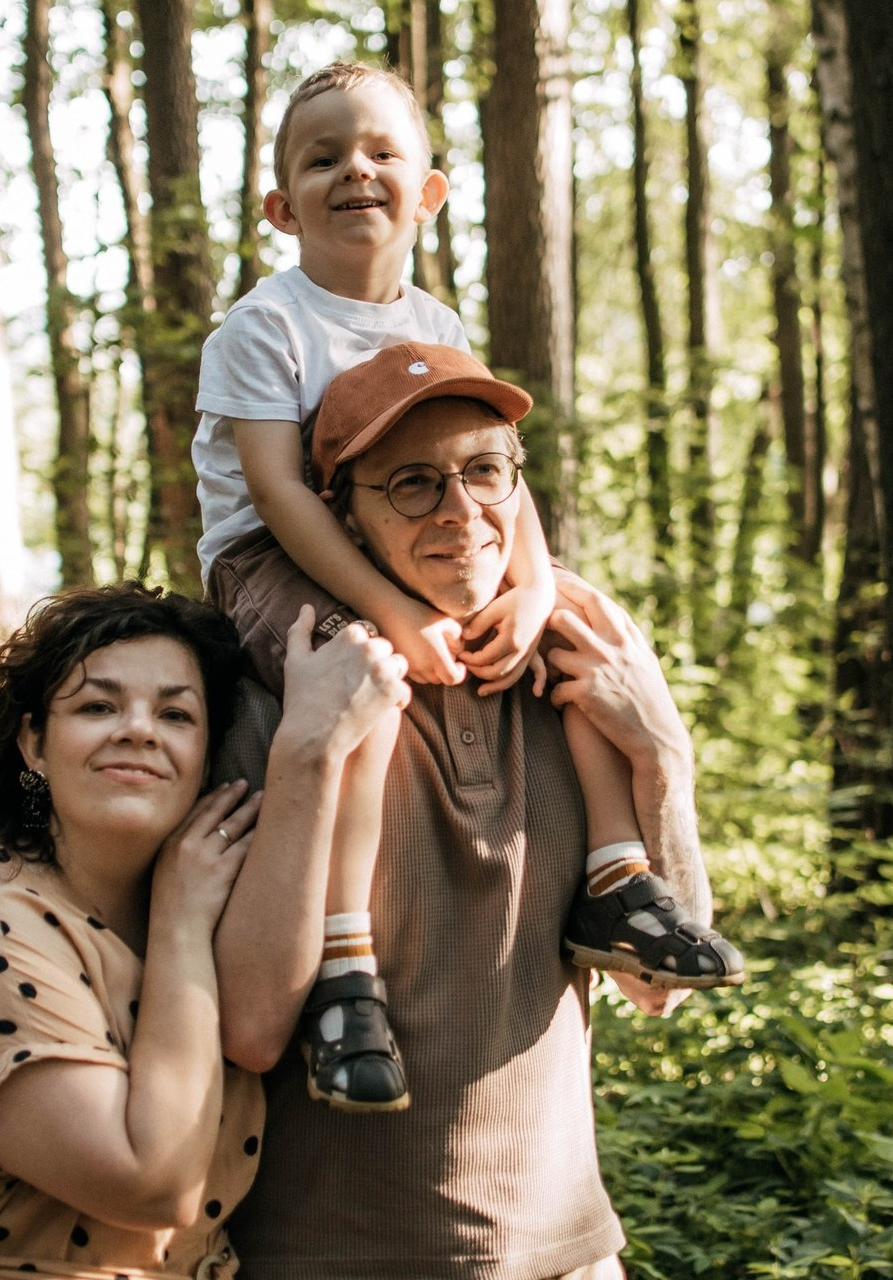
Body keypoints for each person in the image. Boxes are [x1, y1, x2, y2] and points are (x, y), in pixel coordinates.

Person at [193, 63, 740, 1113]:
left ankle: (619, 880)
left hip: (386, 542)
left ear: (428, 190)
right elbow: (281, 493)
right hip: (271, 553)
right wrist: (393, 612)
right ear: (281, 205)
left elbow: (494, 471)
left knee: (575, 620)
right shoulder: (266, 327)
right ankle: (345, 961)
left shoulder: (436, 324)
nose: (354, 168)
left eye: (380, 151)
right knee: (353, 673)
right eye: (323, 157)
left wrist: (532, 594)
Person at [210, 348, 743, 1280]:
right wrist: (309, 746)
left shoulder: (580, 678)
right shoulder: (281, 693)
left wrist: (663, 751)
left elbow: (659, 983)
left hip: (567, 1254)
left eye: (486, 471)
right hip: (333, 1256)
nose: (463, 513)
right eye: (413, 485)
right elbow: (252, 1027)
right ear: (343, 518)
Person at [0, 583, 410, 1280]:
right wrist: (181, 924)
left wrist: (315, 750)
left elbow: (259, 1033)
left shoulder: (206, 899)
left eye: (176, 713)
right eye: (98, 706)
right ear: (34, 743)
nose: (138, 729)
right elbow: (155, 1186)